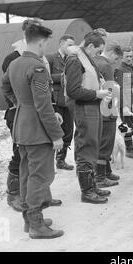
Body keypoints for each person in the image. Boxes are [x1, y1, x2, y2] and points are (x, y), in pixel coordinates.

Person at [1, 22, 64, 239]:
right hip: (37, 131)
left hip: (22, 127)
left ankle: (30, 220)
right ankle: (37, 225)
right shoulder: (37, 67)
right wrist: (57, 135)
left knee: (27, 173)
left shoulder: (15, 63)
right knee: (40, 176)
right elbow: (43, 106)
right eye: (46, 42)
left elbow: (5, 86)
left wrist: (19, 105)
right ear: (41, 41)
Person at [65, 31, 112, 204]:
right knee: (86, 147)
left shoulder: (86, 58)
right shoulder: (75, 60)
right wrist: (96, 93)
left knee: (93, 146)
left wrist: (100, 94)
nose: (98, 55)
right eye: (98, 51)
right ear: (91, 46)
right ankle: (86, 191)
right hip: (84, 108)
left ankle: (91, 186)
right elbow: (73, 90)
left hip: (92, 106)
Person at [92, 41, 123, 188]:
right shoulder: (106, 66)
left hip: (96, 108)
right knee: (105, 145)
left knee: (101, 142)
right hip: (107, 111)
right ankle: (100, 177)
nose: (116, 63)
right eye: (116, 59)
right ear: (111, 53)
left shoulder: (94, 61)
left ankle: (106, 172)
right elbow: (110, 90)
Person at [47, 34, 76, 171]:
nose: (71, 48)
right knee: (56, 131)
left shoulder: (72, 59)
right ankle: (50, 161)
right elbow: (47, 78)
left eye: (73, 45)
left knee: (69, 131)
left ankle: (61, 160)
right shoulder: (51, 58)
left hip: (68, 101)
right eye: (69, 45)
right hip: (56, 101)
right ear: (61, 44)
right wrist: (63, 77)